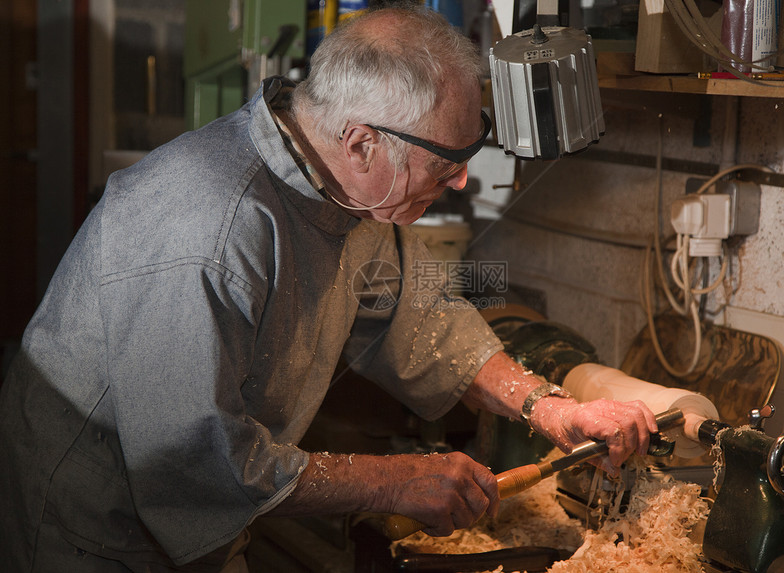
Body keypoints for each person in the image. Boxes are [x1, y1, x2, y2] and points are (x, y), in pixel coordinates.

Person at [0, 6, 657, 572]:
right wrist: (393, 480)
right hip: (96, 532)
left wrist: (548, 407)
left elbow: (422, 316)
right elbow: (193, 457)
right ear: (364, 142)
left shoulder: (344, 188)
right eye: (444, 163)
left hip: (216, 517)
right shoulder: (207, 226)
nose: (459, 183)